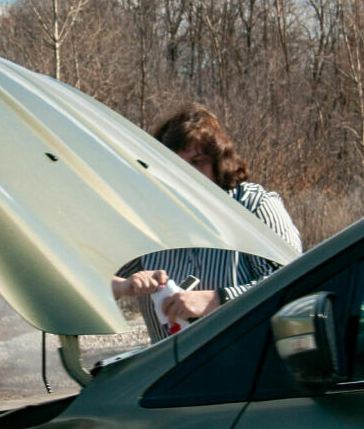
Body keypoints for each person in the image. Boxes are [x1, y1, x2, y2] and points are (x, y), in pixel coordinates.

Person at [112, 104, 301, 343]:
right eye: (173, 164)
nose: (184, 174)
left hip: (249, 363)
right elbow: (91, 279)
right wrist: (124, 286)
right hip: (170, 369)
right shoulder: (149, 218)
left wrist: (216, 300)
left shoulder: (254, 206)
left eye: (197, 162)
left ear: (218, 162)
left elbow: (295, 284)